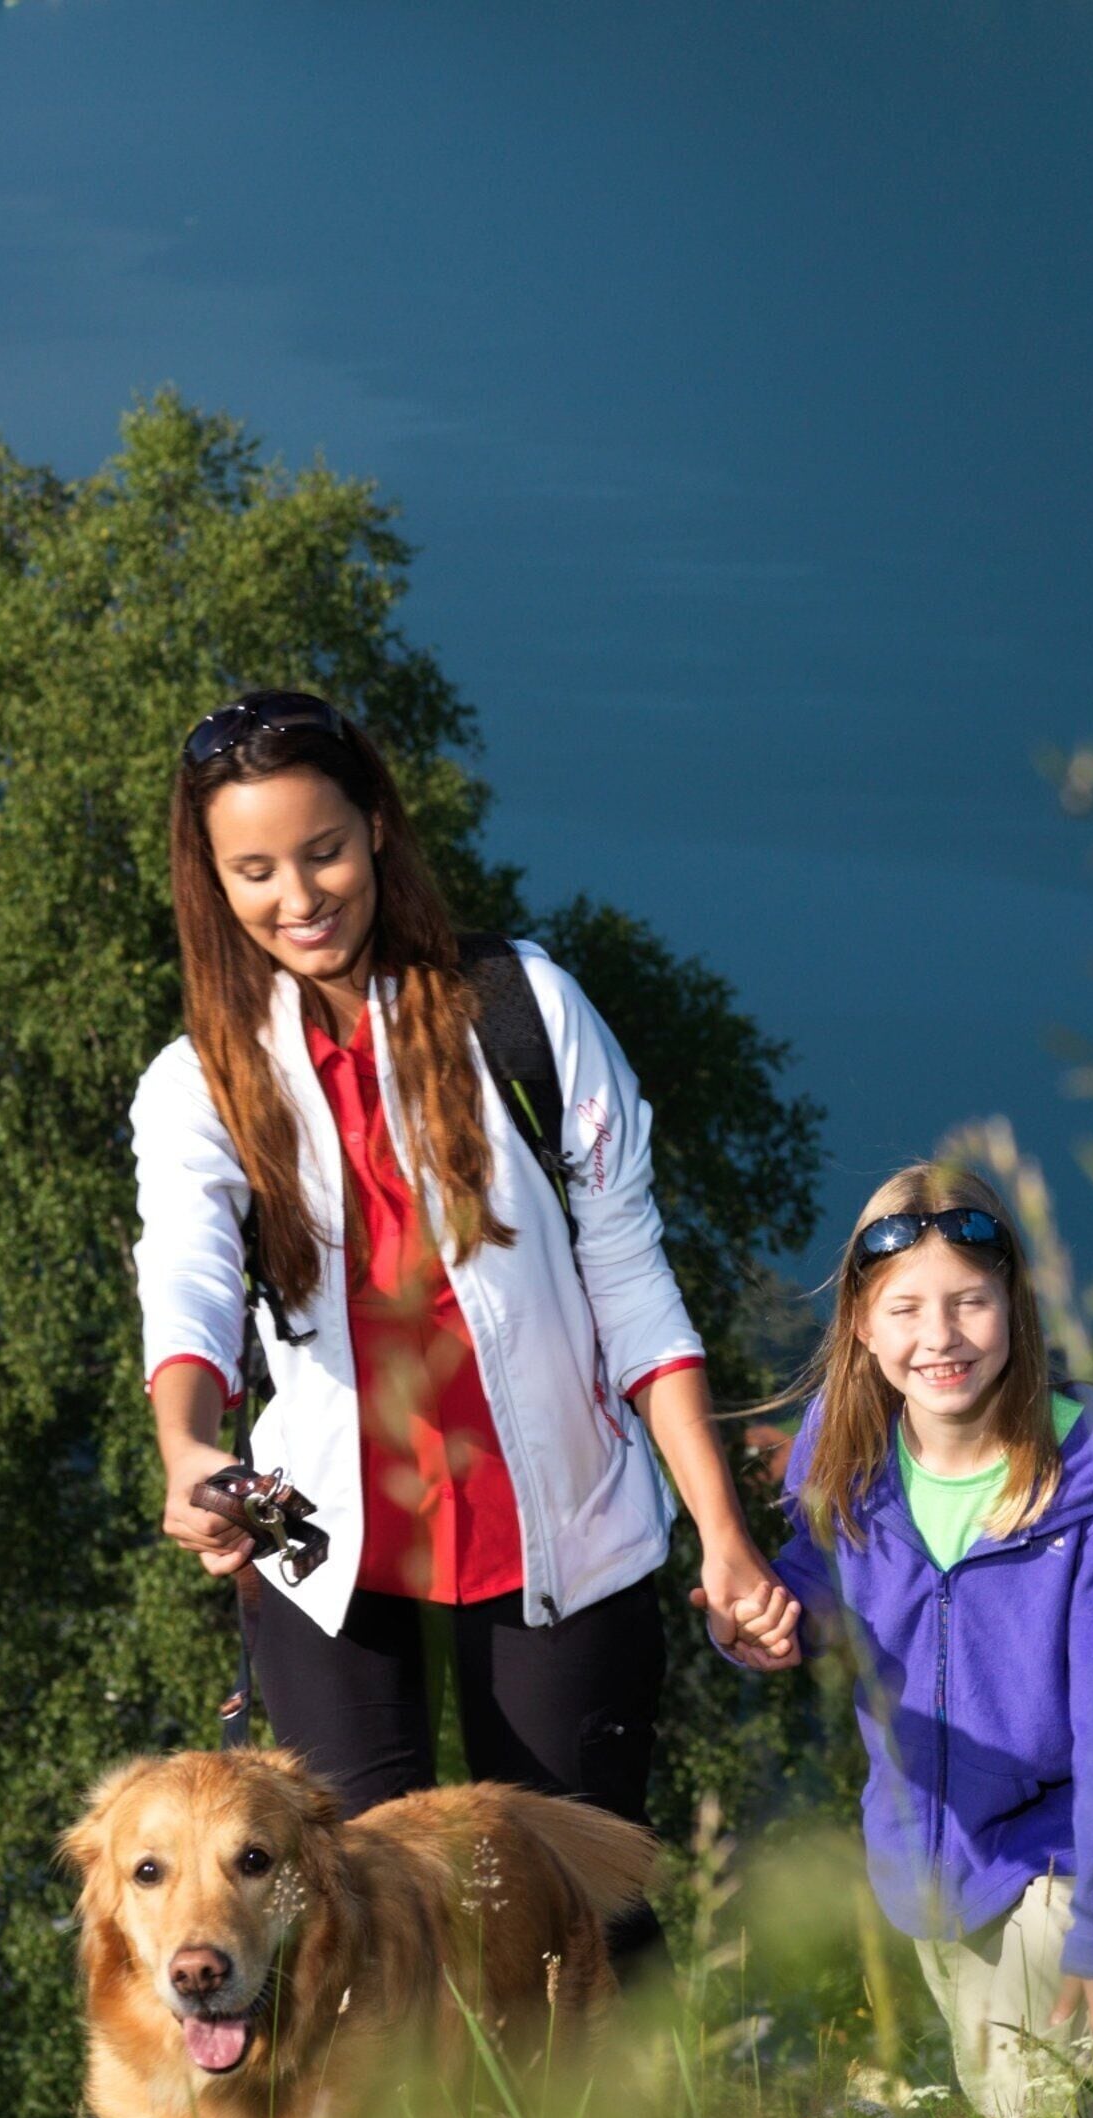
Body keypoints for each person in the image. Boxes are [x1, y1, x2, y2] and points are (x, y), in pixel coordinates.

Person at [129, 689, 800, 1899]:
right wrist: (186, 1449)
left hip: (564, 1528)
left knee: (582, 1923)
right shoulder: (200, 1083)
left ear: (379, 825)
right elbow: (187, 1273)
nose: (300, 897)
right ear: (211, 882)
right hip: (319, 1543)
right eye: (256, 870)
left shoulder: (522, 1007)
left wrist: (724, 1538)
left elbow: (635, 1284)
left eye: (325, 850)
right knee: (347, 1945)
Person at [757, 1167, 1093, 2118]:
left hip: (1058, 1856)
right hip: (926, 1862)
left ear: (1015, 1306)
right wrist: (777, 1621)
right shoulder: (842, 1447)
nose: (937, 1337)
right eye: (904, 1308)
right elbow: (815, 1580)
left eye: (969, 1301)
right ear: (860, 1323)